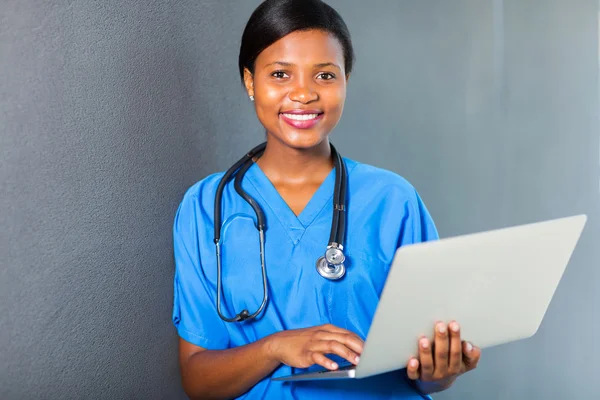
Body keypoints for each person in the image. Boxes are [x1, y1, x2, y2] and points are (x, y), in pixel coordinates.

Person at [171, 0, 481, 398]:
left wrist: (443, 370)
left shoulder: (393, 201)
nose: (303, 94)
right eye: (280, 74)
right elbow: (199, 382)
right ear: (250, 82)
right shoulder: (205, 207)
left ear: (345, 81)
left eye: (325, 75)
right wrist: (276, 346)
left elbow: (425, 372)